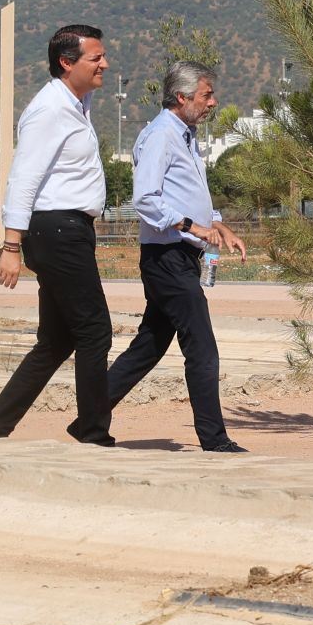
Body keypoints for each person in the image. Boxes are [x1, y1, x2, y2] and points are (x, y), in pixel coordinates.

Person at [0, 25, 115, 446]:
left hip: (68, 229)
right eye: (96, 58)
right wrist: (10, 246)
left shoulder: (77, 102)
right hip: (56, 230)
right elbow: (23, 179)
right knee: (94, 331)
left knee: (56, 341)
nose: (105, 64)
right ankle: (93, 435)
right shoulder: (49, 109)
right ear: (66, 63)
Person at [107, 61, 249, 453]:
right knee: (201, 348)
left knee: (149, 346)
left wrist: (218, 225)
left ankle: (90, 416)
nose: (213, 102)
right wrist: (190, 225)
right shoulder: (160, 136)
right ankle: (214, 440)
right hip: (166, 256)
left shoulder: (185, 135)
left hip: (180, 256)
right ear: (183, 97)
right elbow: (146, 199)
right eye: (206, 95)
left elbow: (191, 191)